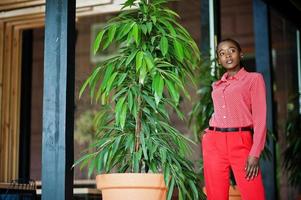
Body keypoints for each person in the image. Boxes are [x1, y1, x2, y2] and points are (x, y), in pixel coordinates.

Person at [202, 38, 266, 200]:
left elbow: (260, 118)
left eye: (232, 50)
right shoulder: (217, 85)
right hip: (214, 142)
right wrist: (208, 133)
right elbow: (219, 111)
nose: (227, 56)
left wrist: (255, 153)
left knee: (254, 194)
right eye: (222, 53)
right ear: (219, 60)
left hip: (241, 141)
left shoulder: (254, 79)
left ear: (241, 54)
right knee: (215, 195)